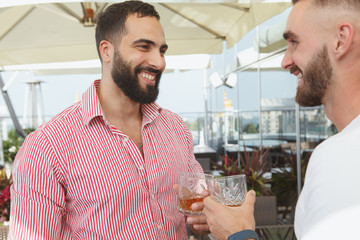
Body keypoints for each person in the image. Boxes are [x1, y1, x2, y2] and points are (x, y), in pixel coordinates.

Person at [9, 1, 208, 239]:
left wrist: (203, 216)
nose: (159, 62)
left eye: (162, 50)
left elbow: (198, 205)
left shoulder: (175, 128)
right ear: (107, 50)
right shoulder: (47, 146)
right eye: (144, 47)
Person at [203, 0, 360, 239]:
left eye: (294, 42)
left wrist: (237, 233)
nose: (285, 61)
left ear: (341, 39)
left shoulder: (342, 155)